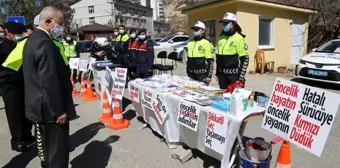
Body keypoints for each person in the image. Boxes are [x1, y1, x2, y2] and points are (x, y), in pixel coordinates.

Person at [23, 6, 77, 168]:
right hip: (50, 109)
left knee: (47, 151)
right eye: (59, 24)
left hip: (40, 105)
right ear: (48, 21)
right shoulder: (45, 44)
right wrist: (58, 110)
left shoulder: (31, 40)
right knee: (57, 153)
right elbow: (49, 79)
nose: (61, 28)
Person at [0, 22, 34, 153]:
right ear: (9, 34)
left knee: (26, 112)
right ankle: (17, 141)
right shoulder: (3, 46)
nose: (21, 36)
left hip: (23, 83)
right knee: (14, 114)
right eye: (19, 34)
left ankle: (27, 135)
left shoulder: (19, 45)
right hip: (9, 86)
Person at [215, 12, 249, 89]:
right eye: (223, 23)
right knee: (223, 98)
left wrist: (240, 78)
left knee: (234, 99)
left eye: (227, 23)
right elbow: (218, 58)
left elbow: (245, 59)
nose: (224, 25)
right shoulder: (221, 38)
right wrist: (217, 73)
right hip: (222, 76)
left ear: (233, 24)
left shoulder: (239, 38)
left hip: (233, 77)